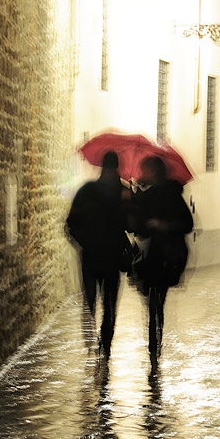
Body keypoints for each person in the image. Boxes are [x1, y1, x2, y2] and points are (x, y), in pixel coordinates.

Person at [65, 151, 131, 362]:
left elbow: (71, 224)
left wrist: (85, 243)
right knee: (105, 303)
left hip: (95, 258)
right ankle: (102, 342)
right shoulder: (120, 192)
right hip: (105, 257)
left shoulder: (88, 191)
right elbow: (130, 226)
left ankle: (101, 343)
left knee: (97, 303)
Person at [131, 154, 193, 375]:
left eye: (144, 169)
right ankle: (155, 342)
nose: (141, 173)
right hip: (156, 256)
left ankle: (154, 342)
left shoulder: (171, 196)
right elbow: (138, 228)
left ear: (154, 172)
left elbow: (187, 224)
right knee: (156, 302)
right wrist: (135, 198)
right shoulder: (148, 196)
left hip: (166, 256)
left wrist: (164, 225)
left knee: (155, 302)